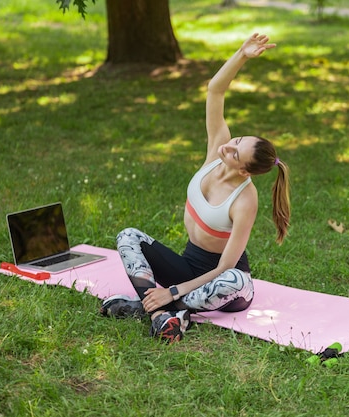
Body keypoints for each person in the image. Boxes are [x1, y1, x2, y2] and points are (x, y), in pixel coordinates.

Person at [100, 33, 291, 343]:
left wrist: (172, 291)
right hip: (188, 267)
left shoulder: (245, 199)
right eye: (236, 140)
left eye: (235, 152)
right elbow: (215, 90)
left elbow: (227, 265)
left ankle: (148, 306)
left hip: (224, 282)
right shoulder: (218, 147)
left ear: (243, 170)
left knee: (233, 280)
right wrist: (242, 55)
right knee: (128, 236)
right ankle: (161, 314)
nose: (228, 147)